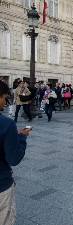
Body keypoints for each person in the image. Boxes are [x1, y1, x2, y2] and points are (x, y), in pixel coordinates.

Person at [0, 80, 31, 225]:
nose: (5, 103)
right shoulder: (6, 124)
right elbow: (14, 158)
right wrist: (22, 138)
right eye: (4, 98)